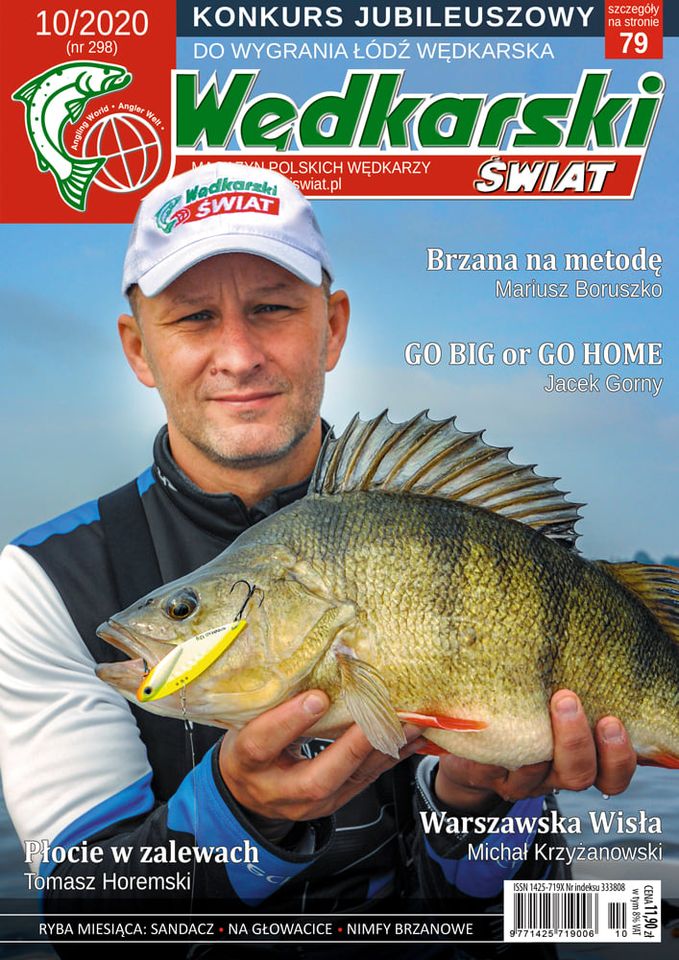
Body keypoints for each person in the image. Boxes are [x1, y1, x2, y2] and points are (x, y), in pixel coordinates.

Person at [0, 162, 636, 956]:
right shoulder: (43, 584)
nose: (238, 355)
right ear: (138, 348)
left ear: (331, 327)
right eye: (194, 318)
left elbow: (517, 918)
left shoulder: (451, 518)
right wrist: (237, 810)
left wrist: (478, 806)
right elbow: (91, 926)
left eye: (271, 308)